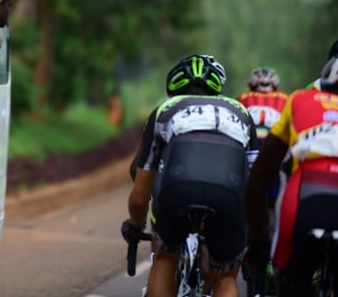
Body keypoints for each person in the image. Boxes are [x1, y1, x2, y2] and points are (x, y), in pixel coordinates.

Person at [122, 54, 259, 297]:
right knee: (226, 275)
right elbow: (256, 181)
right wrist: (258, 232)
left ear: (173, 89)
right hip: (229, 192)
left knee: (165, 258)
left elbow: (140, 193)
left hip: (177, 189)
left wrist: (135, 226)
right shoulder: (240, 112)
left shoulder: (165, 109)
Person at [244, 56, 338, 296]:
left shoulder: (299, 100)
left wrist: (257, 242)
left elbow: (257, 183)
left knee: (290, 285)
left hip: (305, 198)